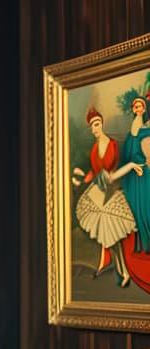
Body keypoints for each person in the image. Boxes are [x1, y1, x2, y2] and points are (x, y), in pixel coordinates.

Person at [73, 108, 141, 285]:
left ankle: (123, 270)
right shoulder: (94, 151)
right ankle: (120, 269)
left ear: (101, 123)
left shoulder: (113, 145)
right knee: (108, 237)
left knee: (115, 235)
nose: (95, 129)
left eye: (96, 124)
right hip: (99, 191)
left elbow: (119, 167)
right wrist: (80, 178)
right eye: (91, 127)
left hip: (115, 189)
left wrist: (132, 166)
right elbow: (94, 173)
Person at [121, 96, 150, 255]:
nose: (137, 109)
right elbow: (130, 151)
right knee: (138, 208)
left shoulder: (145, 127)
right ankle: (142, 244)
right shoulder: (135, 127)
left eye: (140, 106)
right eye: (135, 106)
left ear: (144, 109)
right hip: (137, 171)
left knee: (146, 206)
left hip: (145, 171)